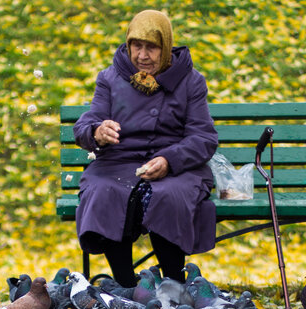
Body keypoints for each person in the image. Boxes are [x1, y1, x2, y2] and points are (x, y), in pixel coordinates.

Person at [73, 9, 218, 287]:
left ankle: (174, 286)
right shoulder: (110, 77)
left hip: (177, 168)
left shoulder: (190, 80)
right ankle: (127, 288)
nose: (142, 55)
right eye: (136, 46)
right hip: (117, 163)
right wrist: (97, 131)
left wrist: (169, 160)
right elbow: (87, 123)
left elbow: (203, 137)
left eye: (151, 48)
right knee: (106, 191)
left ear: (165, 48)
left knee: (167, 196)